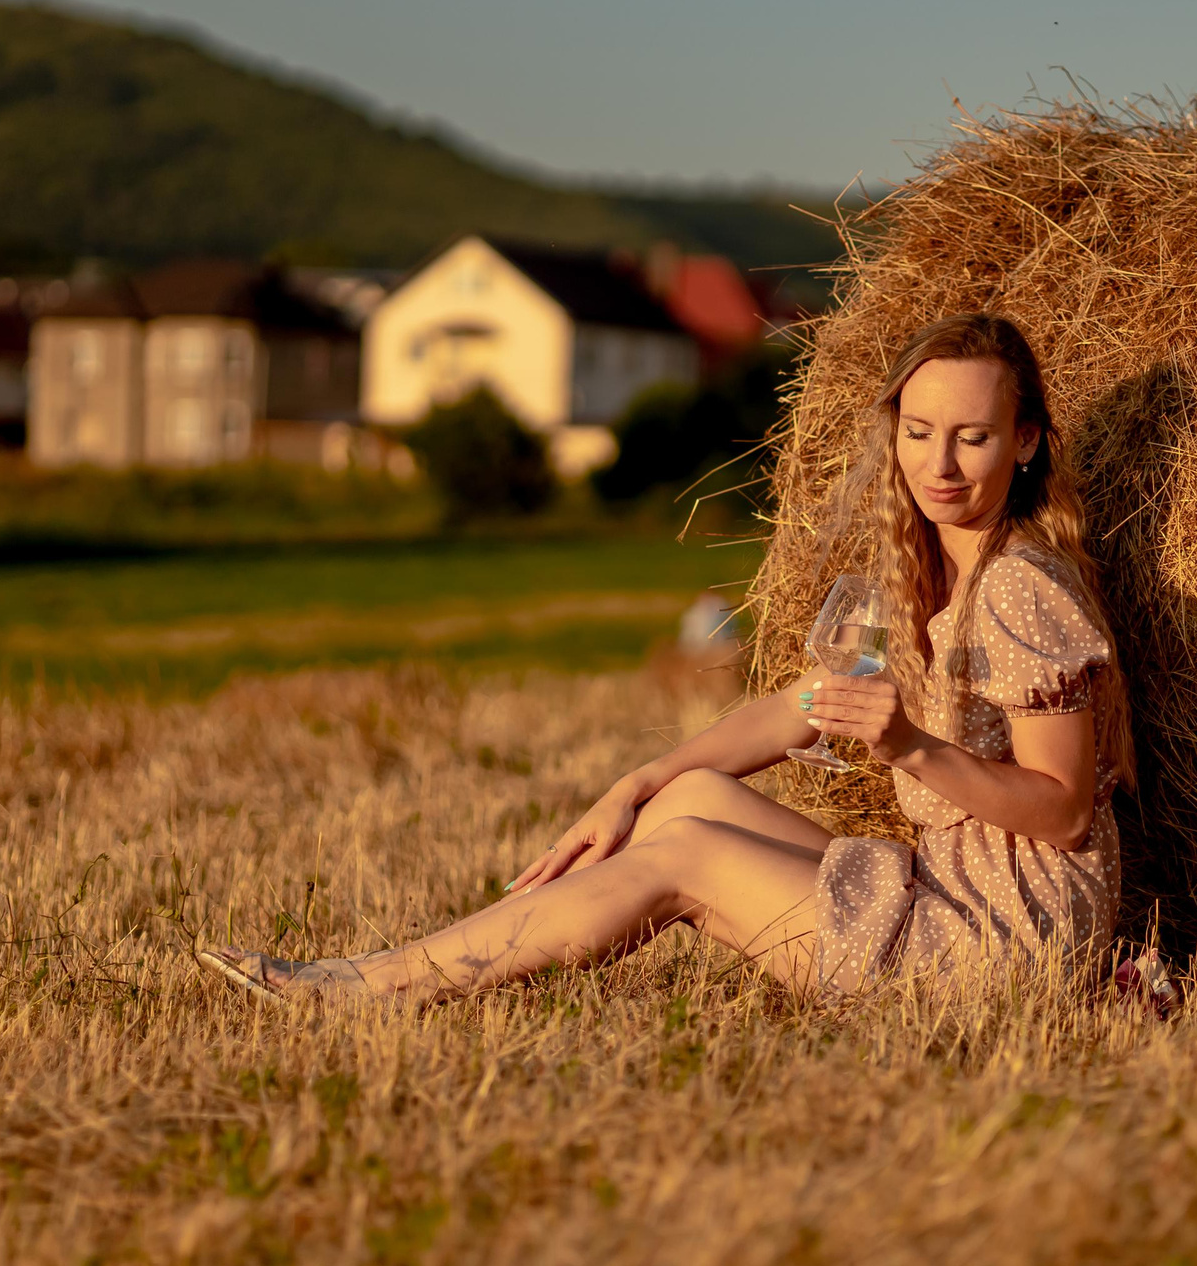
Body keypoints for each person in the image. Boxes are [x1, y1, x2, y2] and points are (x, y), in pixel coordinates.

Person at [198, 312, 1135, 1004]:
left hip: (1014, 933)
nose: (941, 463)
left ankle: (381, 985)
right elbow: (798, 707)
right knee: (679, 804)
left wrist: (911, 749)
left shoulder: (1023, 585)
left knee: (681, 854)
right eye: (919, 432)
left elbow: (1060, 811)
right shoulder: (916, 571)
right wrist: (636, 780)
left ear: (1025, 442)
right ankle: (438, 961)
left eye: (973, 437)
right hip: (950, 881)